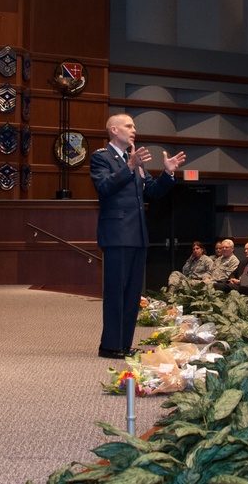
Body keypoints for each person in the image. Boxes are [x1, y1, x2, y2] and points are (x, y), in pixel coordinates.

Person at [90, 113, 185, 359]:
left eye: (134, 126)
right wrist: (130, 166)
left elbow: (152, 191)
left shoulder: (136, 161)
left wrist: (168, 174)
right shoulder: (101, 158)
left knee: (132, 294)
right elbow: (104, 187)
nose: (134, 130)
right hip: (116, 234)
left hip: (138, 234)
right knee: (115, 292)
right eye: (128, 126)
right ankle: (109, 345)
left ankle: (123, 343)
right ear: (113, 130)